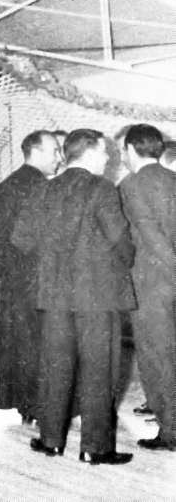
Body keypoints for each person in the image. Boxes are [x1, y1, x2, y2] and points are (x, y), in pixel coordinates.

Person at [12, 129, 135, 465]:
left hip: (54, 296)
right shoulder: (101, 188)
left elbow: (21, 239)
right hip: (97, 296)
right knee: (99, 370)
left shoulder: (43, 188)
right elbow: (120, 239)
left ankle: (50, 440)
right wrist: (121, 261)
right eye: (104, 152)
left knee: (54, 368)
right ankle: (95, 448)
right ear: (89, 153)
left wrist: (51, 259)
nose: (107, 158)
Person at [0, 130, 60, 424]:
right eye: (54, 150)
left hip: (13, 280)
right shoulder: (42, 187)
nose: (59, 157)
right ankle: (39, 405)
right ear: (36, 151)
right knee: (39, 343)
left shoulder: (5, 187)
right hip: (39, 279)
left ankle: (24, 406)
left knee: (17, 343)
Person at [118, 124, 176, 451]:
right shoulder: (173, 179)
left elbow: (150, 235)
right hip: (168, 280)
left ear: (130, 149)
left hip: (152, 284)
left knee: (157, 356)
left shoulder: (131, 184)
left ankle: (171, 431)